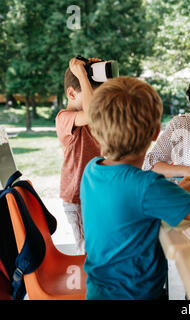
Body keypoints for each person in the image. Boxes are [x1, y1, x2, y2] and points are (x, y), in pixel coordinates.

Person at [80, 76, 190, 300]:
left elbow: (135, 206)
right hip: (137, 295)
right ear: (156, 132)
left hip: (98, 292)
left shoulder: (92, 170)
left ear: (96, 130)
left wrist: (181, 189)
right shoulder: (147, 186)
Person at [55, 57, 102, 254]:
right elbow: (92, 114)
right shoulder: (64, 118)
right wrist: (82, 75)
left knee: (100, 247)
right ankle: (89, 285)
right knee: (88, 251)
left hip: (96, 193)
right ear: (72, 93)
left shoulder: (92, 114)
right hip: (78, 199)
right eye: (91, 94)